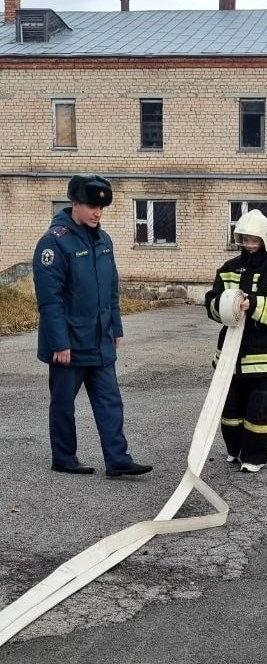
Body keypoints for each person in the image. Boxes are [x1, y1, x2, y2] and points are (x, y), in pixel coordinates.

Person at [33, 174, 153, 477]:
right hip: (69, 345)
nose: (97, 213)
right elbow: (50, 300)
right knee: (63, 405)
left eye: (101, 208)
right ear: (74, 203)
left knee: (111, 402)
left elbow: (111, 288)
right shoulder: (53, 243)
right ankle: (64, 458)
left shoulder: (104, 239)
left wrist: (116, 327)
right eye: (91, 206)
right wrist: (59, 342)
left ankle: (117, 459)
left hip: (100, 340)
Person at [204, 209, 267, 473]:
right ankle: (234, 449)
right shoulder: (229, 268)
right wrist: (223, 306)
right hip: (230, 356)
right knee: (230, 408)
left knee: (258, 410)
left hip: (266, 357)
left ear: (265, 239)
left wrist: (252, 304)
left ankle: (254, 456)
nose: (248, 245)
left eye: (253, 240)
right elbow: (211, 302)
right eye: (243, 239)